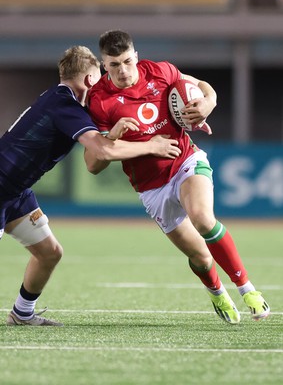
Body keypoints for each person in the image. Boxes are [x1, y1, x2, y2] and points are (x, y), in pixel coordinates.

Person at [88, 30, 270, 324]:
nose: (123, 71)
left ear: (135, 56)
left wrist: (208, 102)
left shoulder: (160, 71)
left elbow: (199, 86)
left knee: (202, 218)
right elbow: (93, 165)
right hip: (150, 187)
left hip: (185, 161)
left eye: (126, 62)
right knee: (200, 257)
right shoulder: (99, 101)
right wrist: (111, 135)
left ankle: (248, 290)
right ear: (103, 65)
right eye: (114, 65)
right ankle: (216, 292)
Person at [0, 45, 182, 326]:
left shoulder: (62, 100)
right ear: (89, 80)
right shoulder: (65, 105)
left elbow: (100, 144)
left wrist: (111, 132)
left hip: (15, 192)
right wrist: (152, 145)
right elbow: (104, 153)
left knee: (49, 253)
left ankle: (22, 313)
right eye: (101, 74)